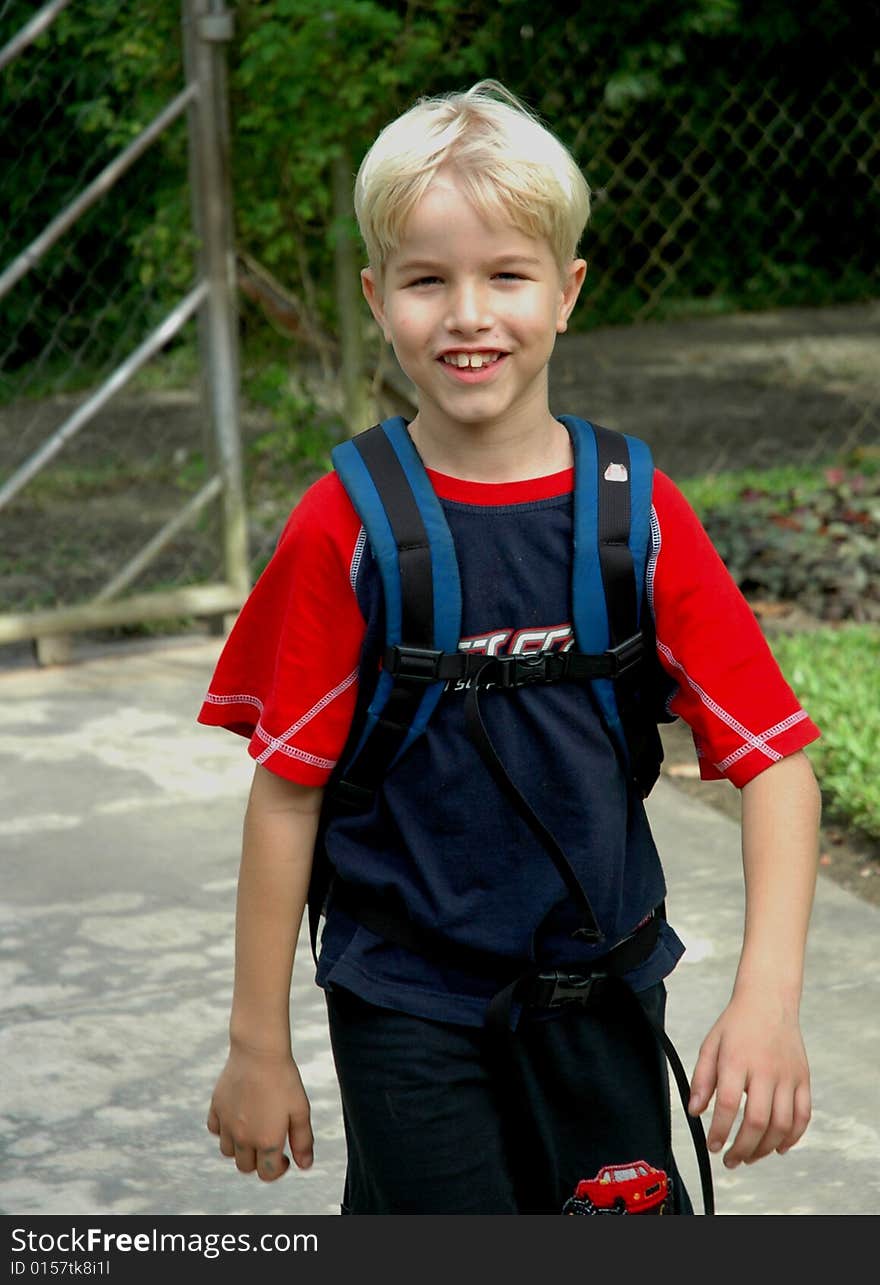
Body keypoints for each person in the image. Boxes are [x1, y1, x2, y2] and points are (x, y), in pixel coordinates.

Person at [198, 80, 821, 1215]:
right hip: (405, 1006)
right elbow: (287, 794)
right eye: (428, 280)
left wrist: (767, 999)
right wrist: (256, 1045)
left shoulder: (636, 513)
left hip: (602, 999)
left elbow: (775, 763)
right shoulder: (346, 524)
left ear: (567, 292)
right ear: (377, 297)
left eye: (507, 276)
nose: (468, 314)